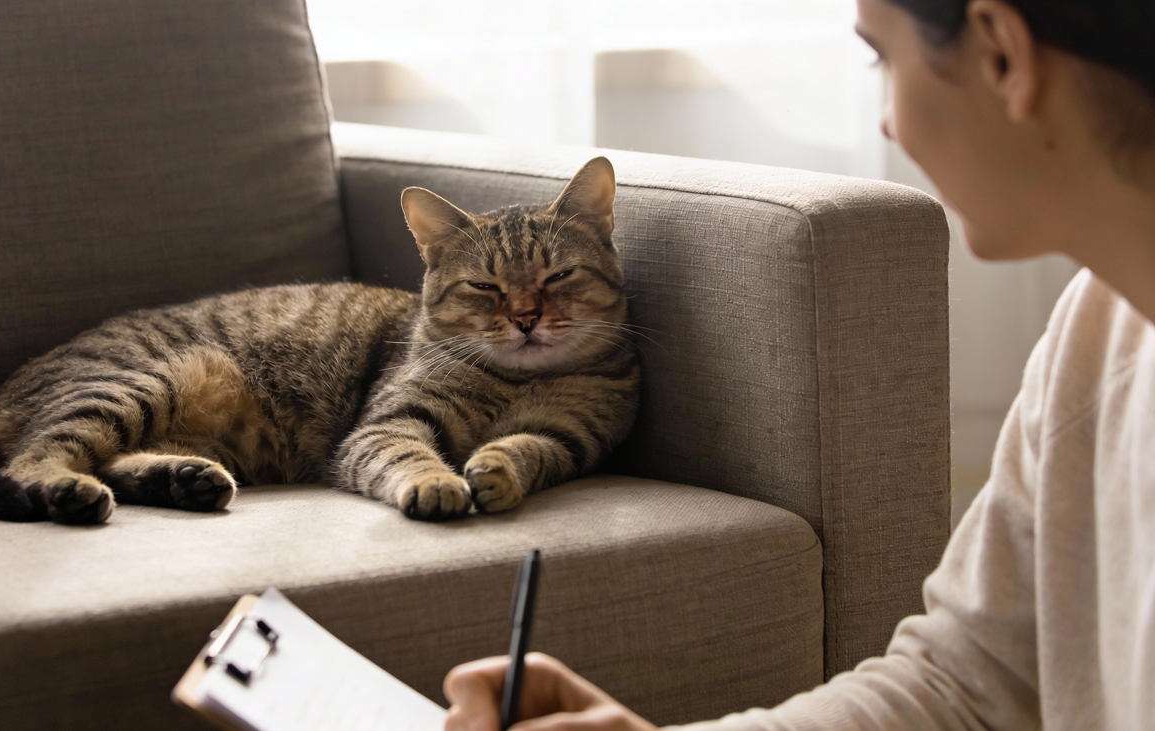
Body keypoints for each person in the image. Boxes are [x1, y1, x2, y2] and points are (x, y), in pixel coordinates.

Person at [441, 0, 1155, 728]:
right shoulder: (1098, 332)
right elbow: (964, 682)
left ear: (1003, 55)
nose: (886, 124)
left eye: (882, 57)